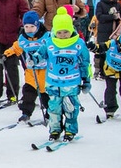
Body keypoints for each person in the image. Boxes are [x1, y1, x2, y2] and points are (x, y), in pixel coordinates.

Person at [29, 8, 91, 143]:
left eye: (66, 32)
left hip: (71, 83)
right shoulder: (49, 42)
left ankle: (70, 130)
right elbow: (40, 54)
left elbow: (84, 63)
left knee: (70, 108)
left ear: (71, 30)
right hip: (53, 83)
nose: (63, 35)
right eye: (59, 32)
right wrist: (33, 59)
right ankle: (55, 129)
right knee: (54, 108)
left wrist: (86, 80)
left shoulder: (78, 44)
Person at [3, 11, 50, 124]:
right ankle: (26, 112)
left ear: (37, 25)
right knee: (29, 92)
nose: (29, 29)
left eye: (32, 26)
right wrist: (6, 54)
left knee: (45, 93)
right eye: (26, 26)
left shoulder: (46, 37)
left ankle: (51, 112)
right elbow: (16, 48)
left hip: (45, 70)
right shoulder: (23, 39)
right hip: (31, 71)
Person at [92, 0, 121, 75]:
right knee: (102, 51)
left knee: (113, 51)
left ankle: (111, 69)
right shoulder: (100, 4)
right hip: (103, 32)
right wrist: (111, 17)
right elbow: (99, 16)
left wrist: (118, 17)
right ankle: (101, 71)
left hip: (114, 32)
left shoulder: (117, 4)